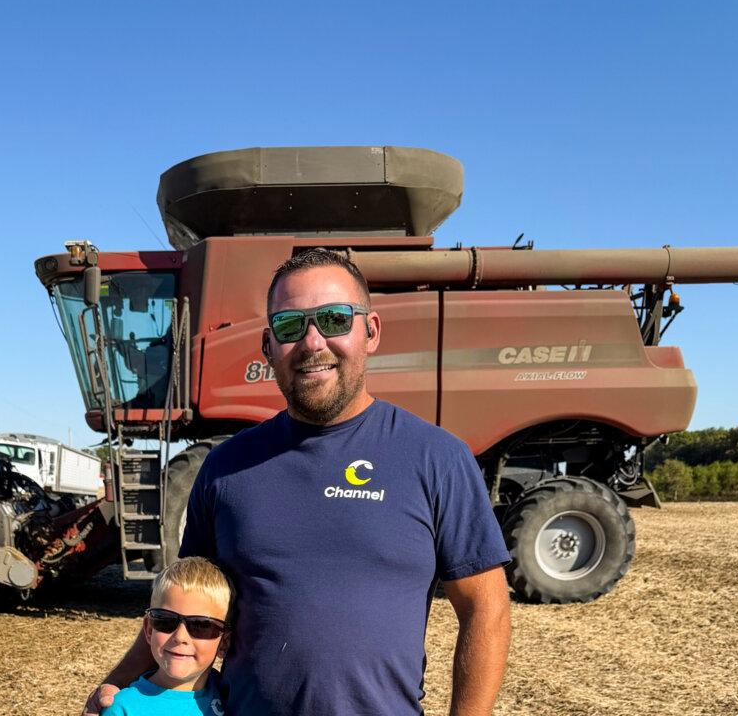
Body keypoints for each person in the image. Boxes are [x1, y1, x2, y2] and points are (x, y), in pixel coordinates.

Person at [86, 249, 511, 715]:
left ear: (370, 332)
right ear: (268, 346)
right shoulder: (226, 468)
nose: (312, 342)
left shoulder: (436, 459)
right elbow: (183, 608)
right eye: (290, 326)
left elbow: (485, 611)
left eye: (334, 319)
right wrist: (117, 683)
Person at [102, 557, 232, 716]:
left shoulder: (229, 693)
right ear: (149, 630)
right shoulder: (123, 708)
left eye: (201, 625)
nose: (180, 637)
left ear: (224, 643)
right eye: (166, 620)